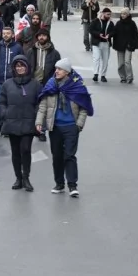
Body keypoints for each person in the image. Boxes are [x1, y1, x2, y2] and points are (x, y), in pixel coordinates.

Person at [36, 59, 93, 197]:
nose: (56, 71)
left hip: (71, 127)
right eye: (56, 68)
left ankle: (72, 185)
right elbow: (43, 105)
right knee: (57, 156)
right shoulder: (51, 85)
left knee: (69, 155)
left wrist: (78, 124)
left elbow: (84, 107)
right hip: (55, 127)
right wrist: (39, 122)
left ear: (67, 72)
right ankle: (59, 184)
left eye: (59, 69)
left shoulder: (77, 85)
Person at [0, 56, 42, 192]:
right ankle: (18, 178)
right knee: (16, 152)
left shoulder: (35, 84)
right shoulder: (7, 84)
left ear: (27, 67)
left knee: (26, 150)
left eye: (22, 65)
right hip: (12, 122)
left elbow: (40, 102)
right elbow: (1, 102)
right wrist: (5, 113)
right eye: (17, 66)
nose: (20, 68)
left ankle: (26, 177)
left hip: (29, 122)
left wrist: (36, 116)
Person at [112, 8, 138, 84]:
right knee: (121, 63)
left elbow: (135, 35)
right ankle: (123, 77)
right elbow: (114, 33)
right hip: (120, 45)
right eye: (122, 14)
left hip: (129, 45)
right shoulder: (118, 23)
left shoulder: (132, 23)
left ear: (128, 15)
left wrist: (134, 44)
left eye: (124, 14)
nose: (123, 15)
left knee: (127, 61)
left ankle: (129, 77)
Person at [88, 8, 114, 83]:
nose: (109, 16)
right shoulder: (95, 21)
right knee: (96, 58)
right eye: (107, 14)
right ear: (103, 13)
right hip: (96, 43)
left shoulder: (110, 23)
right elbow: (90, 30)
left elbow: (114, 31)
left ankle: (103, 75)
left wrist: (109, 35)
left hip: (106, 43)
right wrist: (99, 34)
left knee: (105, 60)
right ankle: (95, 74)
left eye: (110, 14)